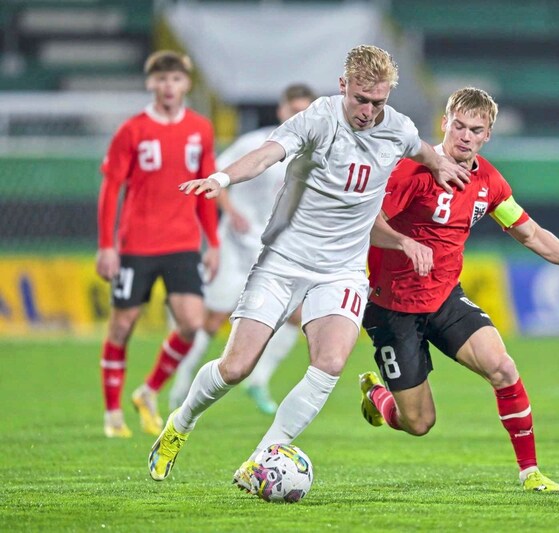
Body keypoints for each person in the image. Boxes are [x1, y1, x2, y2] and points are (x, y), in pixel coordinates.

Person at [147, 45, 470, 492]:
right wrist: (221, 179)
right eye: (361, 99)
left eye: (378, 101)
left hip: (342, 270)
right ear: (344, 87)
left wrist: (442, 164)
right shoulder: (318, 119)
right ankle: (179, 424)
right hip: (284, 262)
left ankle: (260, 459)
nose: (369, 111)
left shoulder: (396, 128)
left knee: (331, 362)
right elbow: (265, 153)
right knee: (236, 366)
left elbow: (422, 151)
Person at [359, 87, 559, 491]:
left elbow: (529, 233)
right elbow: (365, 222)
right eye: (457, 125)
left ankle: (530, 472)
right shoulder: (412, 171)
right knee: (419, 423)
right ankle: (379, 398)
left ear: (487, 135)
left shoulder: (489, 182)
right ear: (444, 123)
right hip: (392, 307)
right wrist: (406, 242)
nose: (464, 135)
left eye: (474, 130)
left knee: (503, 367)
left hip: (444, 298)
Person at [168, 84, 317, 415]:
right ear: (281, 111)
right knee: (212, 319)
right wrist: (232, 212)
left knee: (296, 315)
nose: (298, 116)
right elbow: (218, 178)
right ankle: (181, 381)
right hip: (238, 246)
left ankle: (258, 381)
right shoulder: (257, 143)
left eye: (304, 111)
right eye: (293, 110)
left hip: (280, 251)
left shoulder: (315, 151)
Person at [96, 50, 219, 438]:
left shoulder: (201, 128)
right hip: (137, 244)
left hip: (183, 242)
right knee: (122, 325)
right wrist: (106, 245)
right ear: (151, 83)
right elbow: (110, 188)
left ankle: (148, 392)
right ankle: (113, 414)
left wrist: (212, 242)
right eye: (162, 79)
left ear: (187, 84)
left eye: (176, 79)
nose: (169, 86)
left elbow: (205, 189)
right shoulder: (131, 130)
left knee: (191, 323)